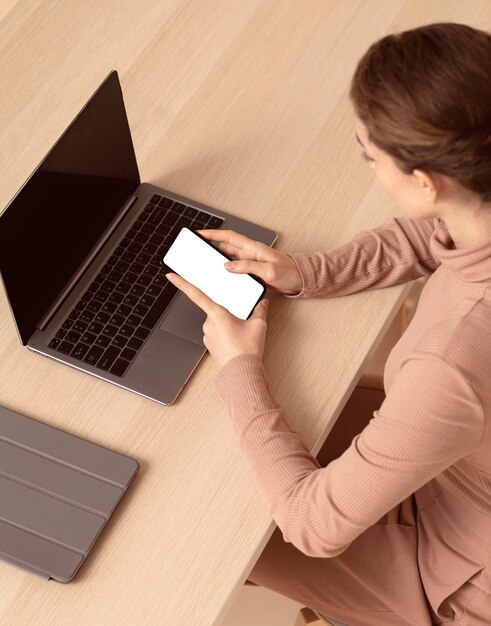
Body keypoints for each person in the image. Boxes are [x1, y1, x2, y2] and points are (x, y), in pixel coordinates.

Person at [165, 22, 491, 625]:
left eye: (370, 156)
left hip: (459, 564)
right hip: (460, 457)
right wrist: (309, 271)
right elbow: (442, 230)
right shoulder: (479, 199)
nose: (368, 165)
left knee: (215, 526)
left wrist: (240, 368)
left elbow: (312, 527)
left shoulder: (451, 364)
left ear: (427, 181)